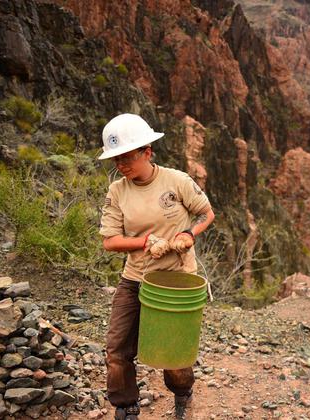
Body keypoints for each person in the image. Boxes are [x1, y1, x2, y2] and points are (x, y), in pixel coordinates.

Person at [97, 114, 215, 420]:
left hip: (176, 280)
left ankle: (182, 393)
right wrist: (145, 242)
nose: (121, 166)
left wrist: (189, 233)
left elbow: (206, 214)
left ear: (147, 152)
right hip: (135, 278)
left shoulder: (176, 181)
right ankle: (126, 407)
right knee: (116, 350)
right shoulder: (117, 191)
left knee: (174, 354)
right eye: (116, 160)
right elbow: (110, 241)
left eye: (126, 158)